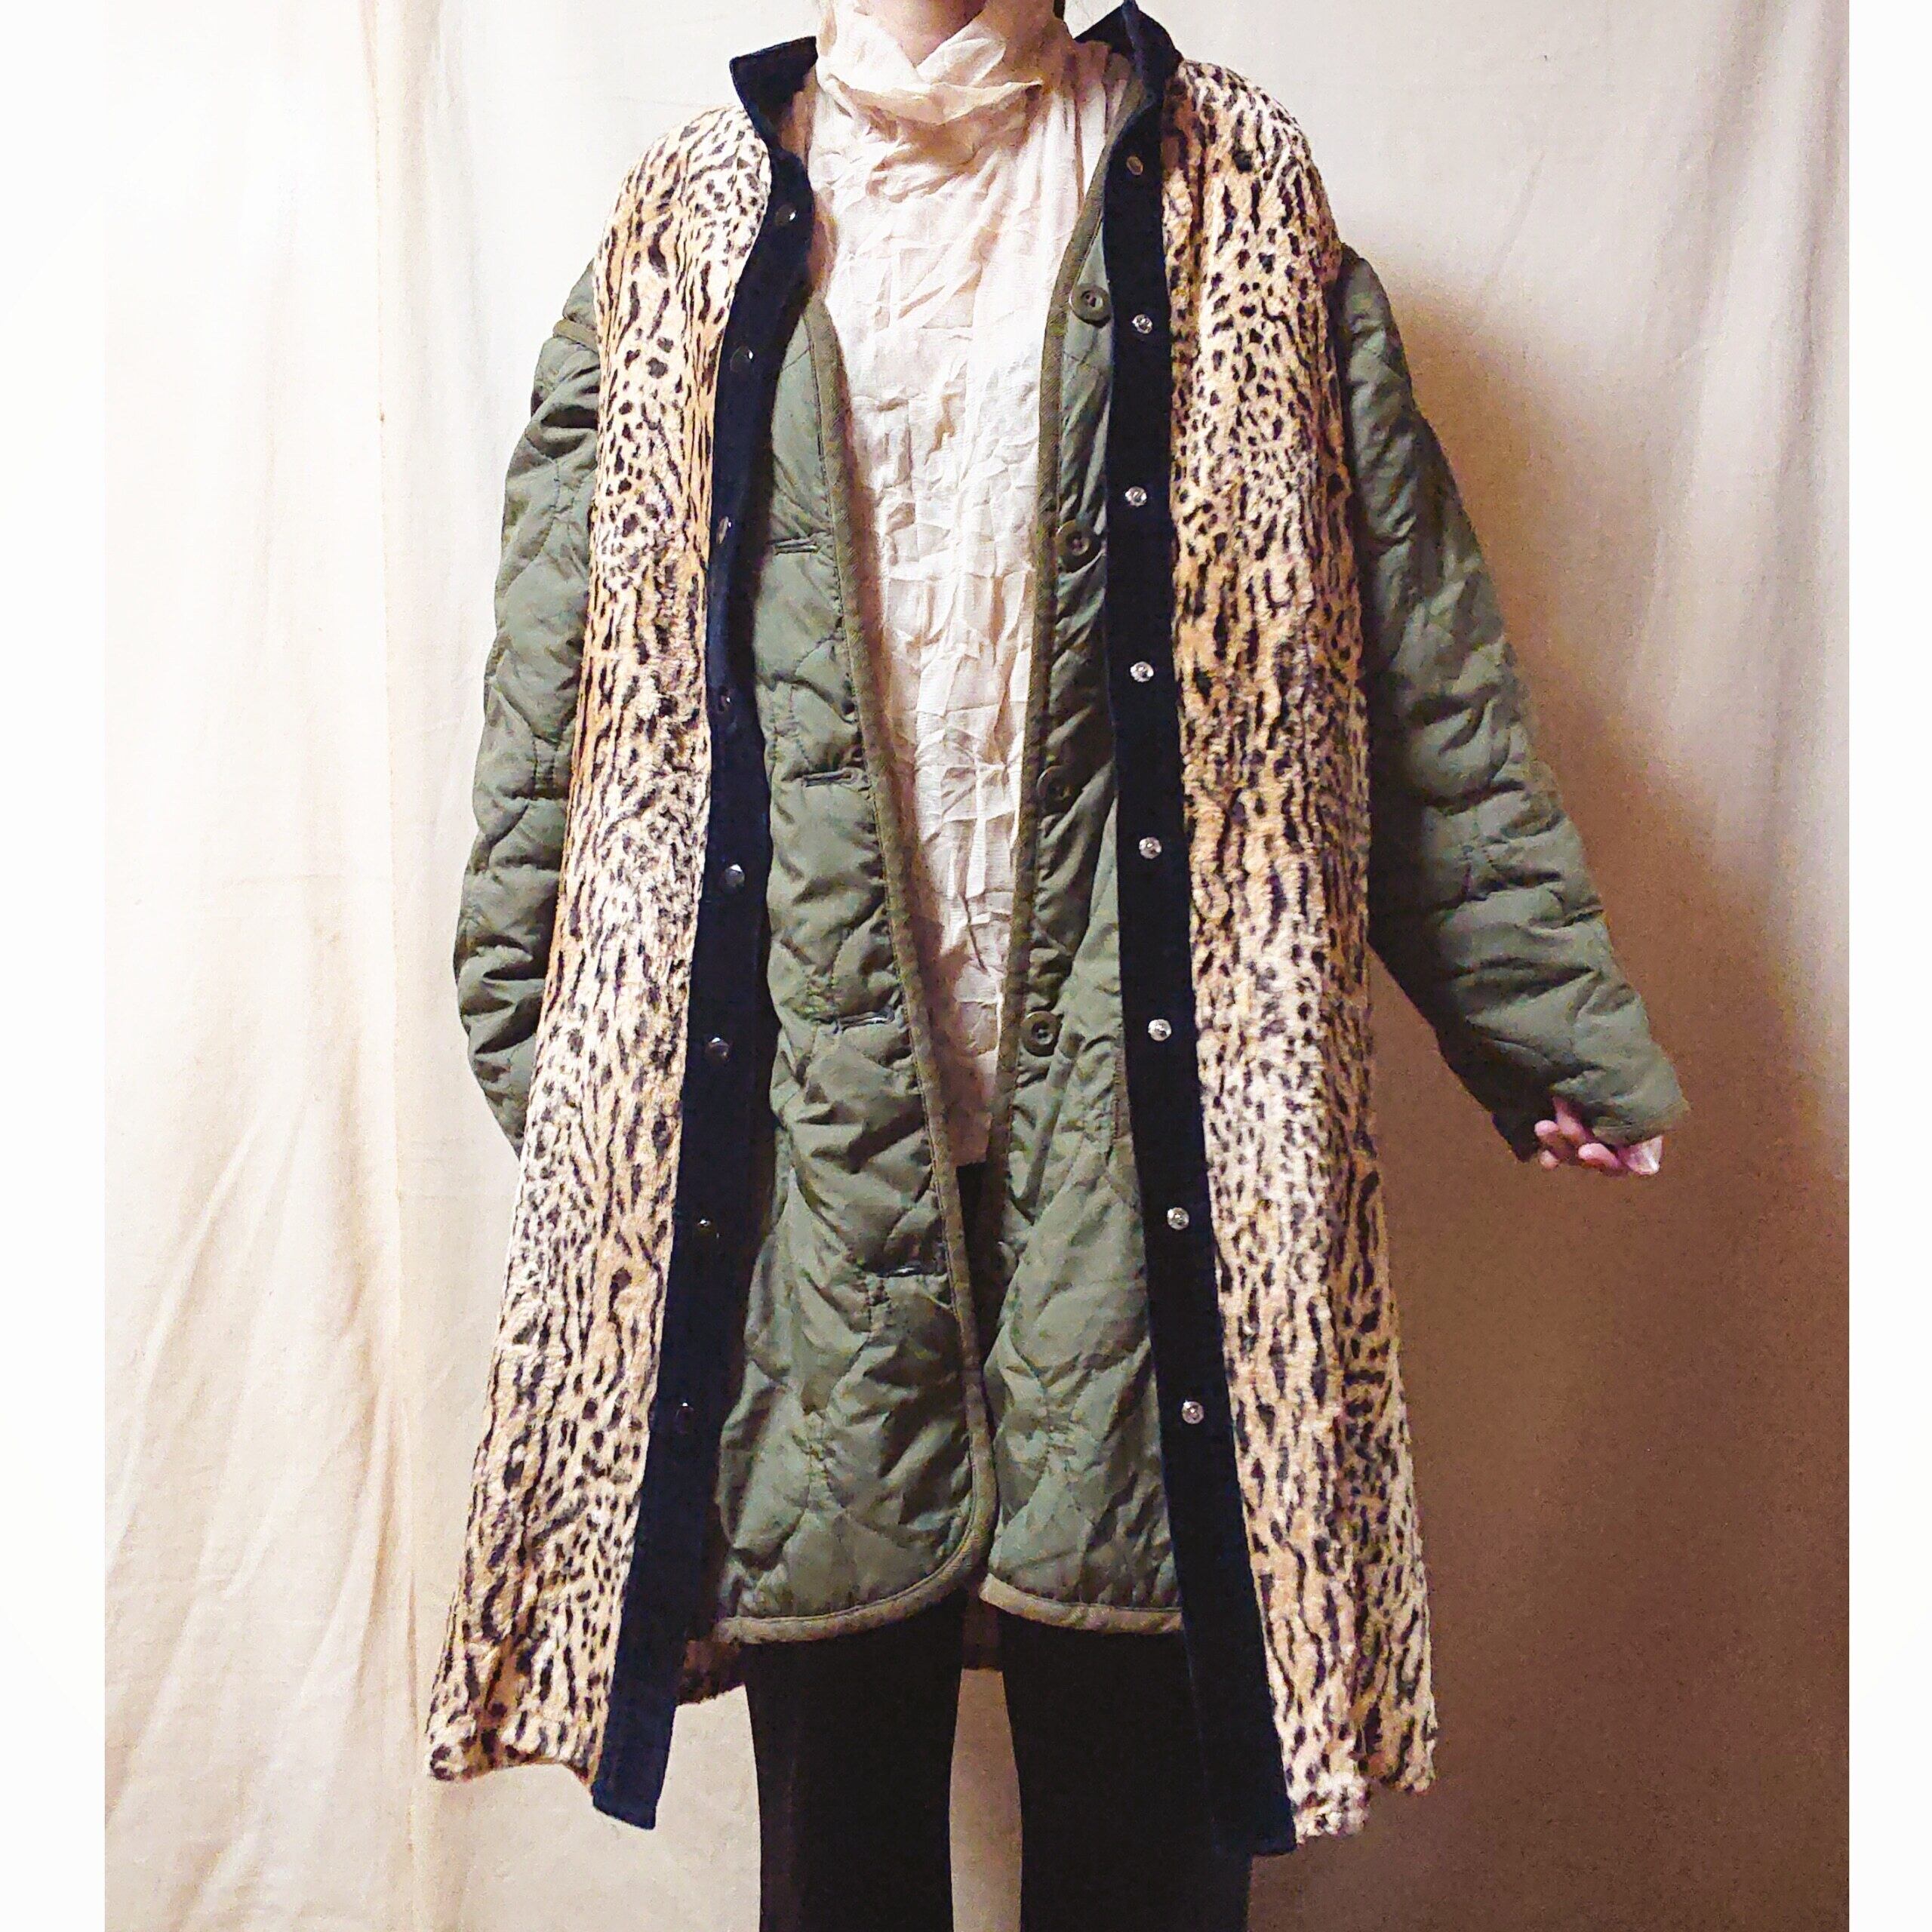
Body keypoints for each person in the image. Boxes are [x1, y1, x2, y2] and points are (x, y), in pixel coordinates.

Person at [426, 5, 1688, 1928]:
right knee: (838, 1826)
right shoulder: (678, 224)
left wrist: (1542, 1021)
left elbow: (1409, 648)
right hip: (802, 1132)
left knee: (1145, 1794)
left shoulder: (1232, 188)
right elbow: (561, 685)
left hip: (1157, 1121)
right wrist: (552, 1047)